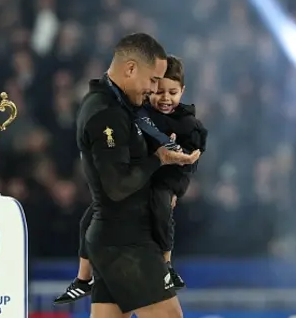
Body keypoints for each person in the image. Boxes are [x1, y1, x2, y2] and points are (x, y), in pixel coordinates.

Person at [54, 55, 207, 305]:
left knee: (160, 209)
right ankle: (83, 279)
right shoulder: (136, 112)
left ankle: (166, 266)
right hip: (125, 210)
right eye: (158, 91)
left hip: (155, 192)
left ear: (182, 91)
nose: (165, 98)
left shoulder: (186, 122)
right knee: (88, 221)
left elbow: (187, 156)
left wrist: (176, 186)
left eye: (172, 92)